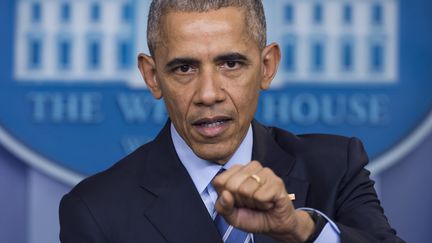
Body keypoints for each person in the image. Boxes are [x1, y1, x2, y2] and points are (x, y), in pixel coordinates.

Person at [59, 0, 404, 242]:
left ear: (267, 67)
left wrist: (301, 231)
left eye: (231, 64)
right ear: (152, 77)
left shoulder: (335, 167)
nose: (209, 93)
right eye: (184, 68)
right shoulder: (95, 209)